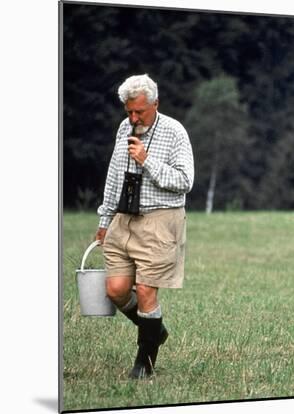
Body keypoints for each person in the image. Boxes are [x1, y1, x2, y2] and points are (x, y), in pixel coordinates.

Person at [95, 74, 194, 379]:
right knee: (115, 290)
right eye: (129, 112)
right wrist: (104, 218)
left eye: (139, 111)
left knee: (147, 293)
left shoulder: (175, 132)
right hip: (124, 220)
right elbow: (114, 174)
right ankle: (155, 330)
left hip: (160, 221)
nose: (134, 118)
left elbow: (184, 182)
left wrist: (147, 160)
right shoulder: (124, 128)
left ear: (156, 104)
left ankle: (144, 365)